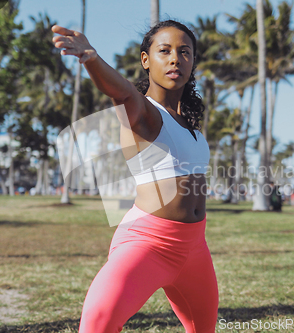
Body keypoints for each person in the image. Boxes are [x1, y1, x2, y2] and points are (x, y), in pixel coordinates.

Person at [52, 20, 218, 332]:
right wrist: (90, 56)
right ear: (146, 60)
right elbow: (124, 93)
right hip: (148, 242)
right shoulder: (142, 112)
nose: (175, 59)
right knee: (97, 325)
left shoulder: (186, 123)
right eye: (164, 51)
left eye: (185, 52)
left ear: (193, 61)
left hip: (195, 247)